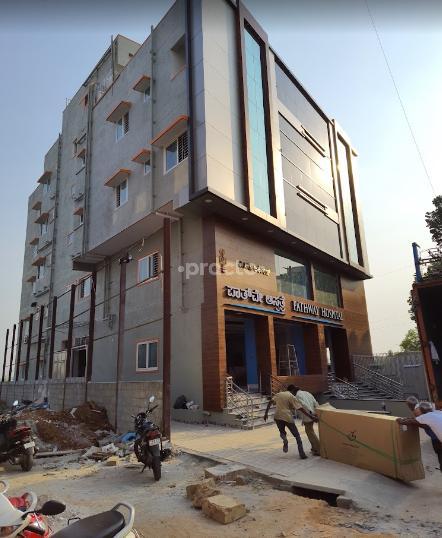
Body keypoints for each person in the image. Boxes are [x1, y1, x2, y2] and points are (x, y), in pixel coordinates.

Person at [264, 384, 318, 459]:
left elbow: (270, 402)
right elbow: (300, 408)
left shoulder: (279, 394)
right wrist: (311, 416)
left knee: (282, 431)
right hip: (287, 417)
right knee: (297, 436)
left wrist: (266, 414)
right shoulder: (291, 396)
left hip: (277, 416)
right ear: (292, 390)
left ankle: (284, 439)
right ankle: (302, 454)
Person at [397, 401, 442, 472]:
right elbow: (415, 420)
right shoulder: (436, 413)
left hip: (438, 441)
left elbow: (408, 422)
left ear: (421, 411)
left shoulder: (425, 417)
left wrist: (399, 420)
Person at [290, 385, 321, 456]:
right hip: (312, 414)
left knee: (310, 433)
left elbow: (303, 407)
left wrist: (311, 416)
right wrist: (316, 414)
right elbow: (315, 402)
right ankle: (314, 449)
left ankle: (318, 449)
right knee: (310, 431)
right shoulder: (307, 393)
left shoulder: (297, 396)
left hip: (309, 416)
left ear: (293, 391)